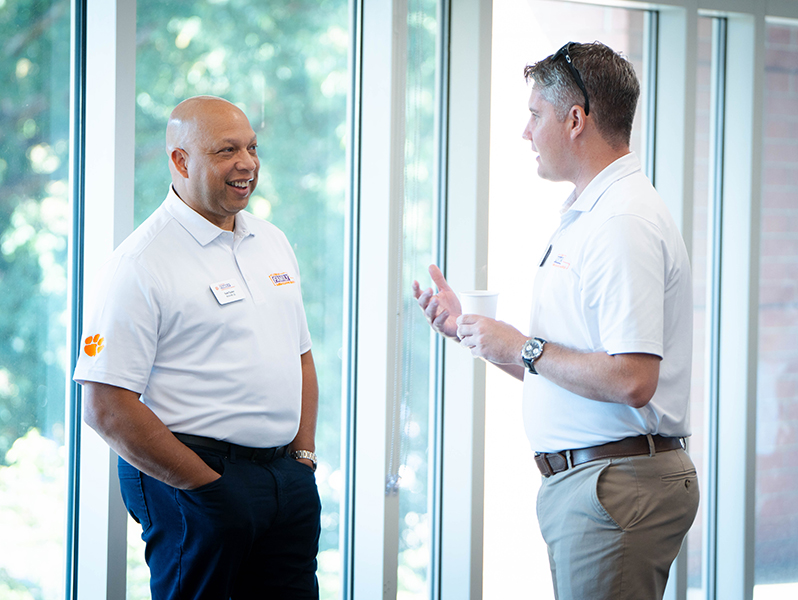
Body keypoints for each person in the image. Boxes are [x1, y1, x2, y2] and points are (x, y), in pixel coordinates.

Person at [413, 42, 698, 600]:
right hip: (599, 483)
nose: (525, 131)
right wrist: (479, 335)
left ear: (575, 120)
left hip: (615, 488)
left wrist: (524, 346)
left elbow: (633, 380)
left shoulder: (622, 221)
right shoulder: (594, 212)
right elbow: (579, 369)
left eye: (534, 114)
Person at [74, 96, 321, 599]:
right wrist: (207, 487)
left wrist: (302, 458)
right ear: (181, 161)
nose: (247, 163)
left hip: (283, 479)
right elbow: (105, 406)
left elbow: (300, 355)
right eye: (226, 150)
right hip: (198, 479)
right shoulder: (140, 263)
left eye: (251, 147)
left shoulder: (271, 241)